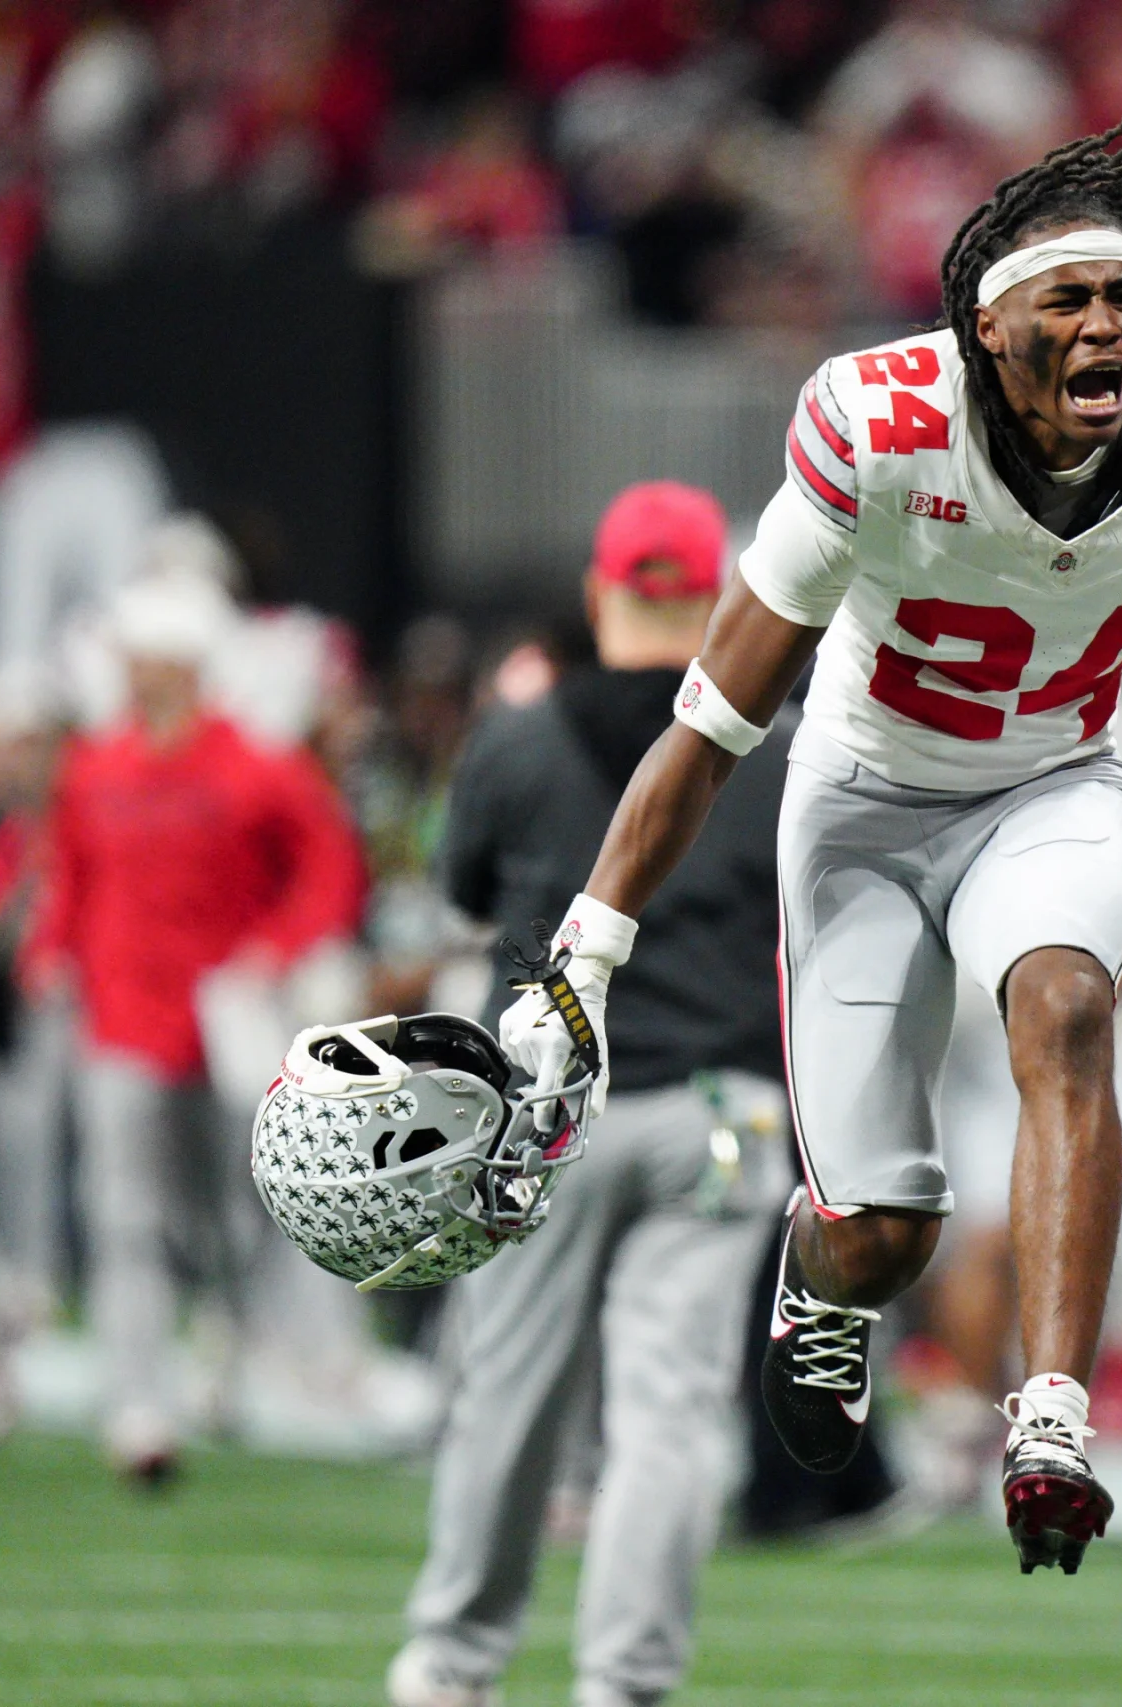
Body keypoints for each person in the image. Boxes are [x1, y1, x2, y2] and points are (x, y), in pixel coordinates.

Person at [497, 73, 1122, 1576]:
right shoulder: (878, 430)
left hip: (1050, 783)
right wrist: (583, 958)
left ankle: (1050, 1413)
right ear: (986, 326)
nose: (1110, 326)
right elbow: (713, 722)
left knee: (1068, 1006)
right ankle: (820, 1271)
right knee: (884, 1231)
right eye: (1071, 301)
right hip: (860, 802)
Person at [387, 481, 796, 1707]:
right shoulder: (774, 747)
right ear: (720, 594)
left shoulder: (516, 734)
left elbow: (459, 892)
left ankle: (452, 1664)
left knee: (506, 1397)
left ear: (598, 592)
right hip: (721, 1111)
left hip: (549, 1114)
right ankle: (623, 1684)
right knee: (668, 1417)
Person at [24, 567, 366, 1482]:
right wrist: (50, 952)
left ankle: (251, 1360)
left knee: (249, 1208)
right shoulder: (97, 766)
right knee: (125, 1216)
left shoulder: (254, 765)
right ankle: (140, 1403)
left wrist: (274, 951)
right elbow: (73, 876)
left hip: (224, 1023)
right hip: (124, 1022)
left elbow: (329, 868)